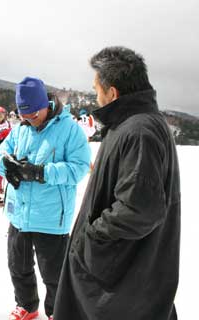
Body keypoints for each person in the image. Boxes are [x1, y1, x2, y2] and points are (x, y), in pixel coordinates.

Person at [54, 47, 181, 320]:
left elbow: (140, 209)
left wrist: (92, 237)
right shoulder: (132, 124)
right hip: (126, 279)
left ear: (113, 93)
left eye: (97, 89)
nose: (96, 97)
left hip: (121, 284)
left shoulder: (139, 131)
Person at [0, 77, 91, 320]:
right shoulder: (20, 129)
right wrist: (10, 168)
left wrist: (41, 172)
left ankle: (56, 311)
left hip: (50, 217)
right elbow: (1, 156)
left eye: (33, 113)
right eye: (23, 114)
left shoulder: (69, 129)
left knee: (54, 273)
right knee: (18, 266)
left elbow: (79, 168)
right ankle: (27, 305)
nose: (29, 119)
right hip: (19, 215)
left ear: (46, 104)